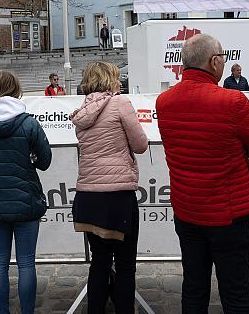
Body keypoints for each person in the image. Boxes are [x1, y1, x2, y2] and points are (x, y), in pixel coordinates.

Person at [155, 34, 249, 313]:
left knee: (193, 286)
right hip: (228, 212)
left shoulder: (164, 101)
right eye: (224, 59)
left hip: (187, 209)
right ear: (214, 61)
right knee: (236, 292)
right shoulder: (233, 101)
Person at [0, 70, 52, 314]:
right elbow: (45, 161)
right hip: (25, 200)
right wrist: (30, 158)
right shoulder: (28, 122)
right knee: (26, 263)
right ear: (17, 89)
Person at [71, 62, 148, 313]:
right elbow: (140, 145)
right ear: (110, 80)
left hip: (88, 196)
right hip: (117, 197)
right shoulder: (120, 103)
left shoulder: (83, 109)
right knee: (125, 264)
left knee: (99, 262)